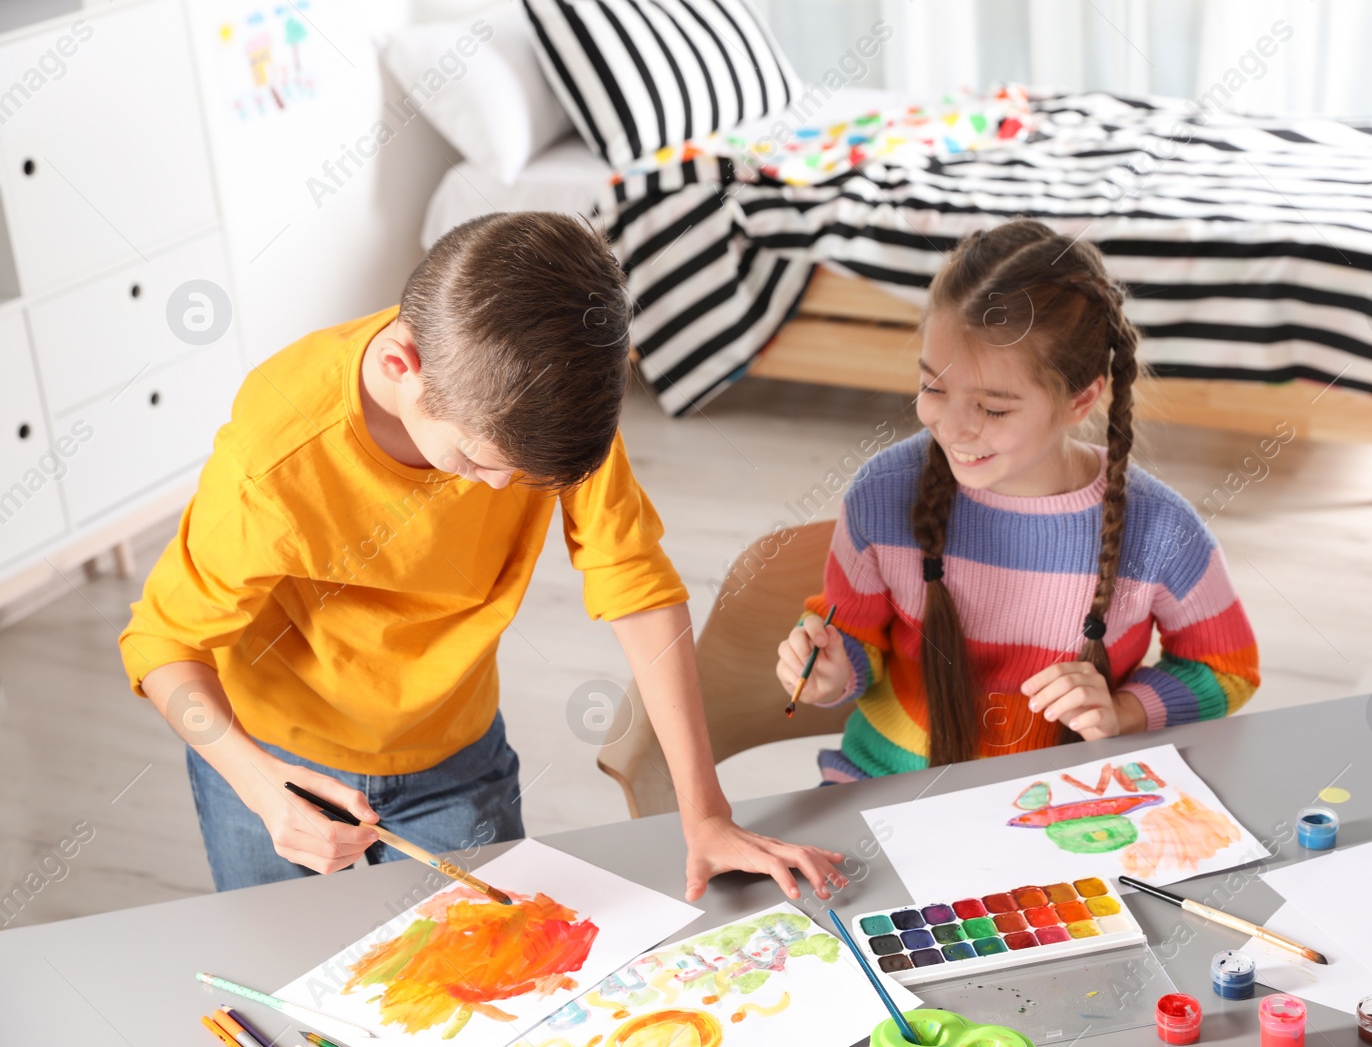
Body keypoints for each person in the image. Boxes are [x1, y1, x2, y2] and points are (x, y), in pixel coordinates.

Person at [121, 211, 846, 901]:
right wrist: (254, 781)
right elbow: (162, 643)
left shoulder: (541, 401)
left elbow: (636, 585)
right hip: (275, 763)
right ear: (404, 366)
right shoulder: (276, 452)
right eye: (476, 461)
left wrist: (706, 812)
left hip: (457, 757)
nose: (503, 490)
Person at [775, 219, 1260, 781]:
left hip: (1064, 805)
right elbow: (854, 637)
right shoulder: (884, 494)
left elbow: (1228, 668)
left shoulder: (1159, 529)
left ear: (1081, 400)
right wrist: (833, 672)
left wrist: (1126, 711)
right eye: (933, 387)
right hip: (884, 789)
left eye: (993, 408)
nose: (952, 427)